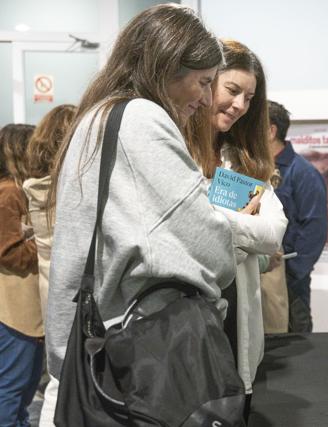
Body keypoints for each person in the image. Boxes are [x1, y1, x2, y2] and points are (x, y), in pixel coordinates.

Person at [45, 4, 236, 423]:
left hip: (97, 348)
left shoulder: (97, 116)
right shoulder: (142, 118)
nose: (206, 99)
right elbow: (211, 247)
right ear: (168, 66)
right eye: (203, 82)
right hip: (144, 353)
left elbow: (72, 253)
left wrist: (61, 357)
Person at [190, 38, 287, 419]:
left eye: (249, 97)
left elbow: (274, 232)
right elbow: (187, 234)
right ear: (206, 82)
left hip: (238, 321)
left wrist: (217, 224)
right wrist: (245, 227)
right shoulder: (176, 153)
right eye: (232, 90)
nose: (240, 106)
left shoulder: (240, 159)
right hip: (190, 322)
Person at [20, 104, 76, 426]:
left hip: (49, 289)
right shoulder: (67, 191)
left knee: (58, 377)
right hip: (70, 291)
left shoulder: (35, 187)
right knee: (68, 381)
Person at [267, 100, 328, 333]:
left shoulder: (303, 173)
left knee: (293, 344)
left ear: (271, 131)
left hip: (290, 283)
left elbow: (315, 231)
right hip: (258, 278)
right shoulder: (253, 168)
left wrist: (289, 273)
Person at [0, 124, 42, 427]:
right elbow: (10, 252)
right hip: (15, 312)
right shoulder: (9, 193)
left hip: (20, 311)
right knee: (13, 388)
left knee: (19, 389)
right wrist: (45, 242)